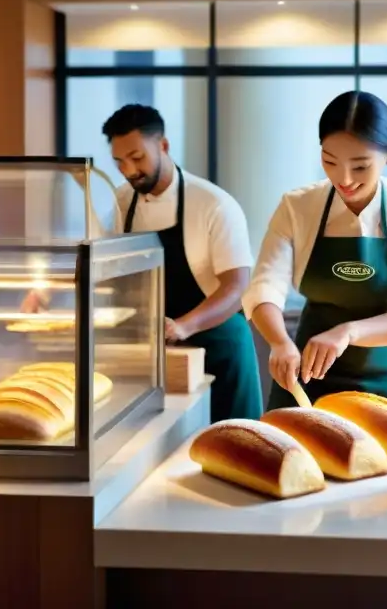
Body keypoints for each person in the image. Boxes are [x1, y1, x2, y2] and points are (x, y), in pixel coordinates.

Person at [29, 104, 263, 422]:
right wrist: (43, 293)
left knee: (236, 449)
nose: (128, 170)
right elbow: (102, 259)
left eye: (137, 158)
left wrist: (184, 325)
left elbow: (236, 287)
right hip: (156, 351)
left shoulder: (214, 204)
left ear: (163, 145)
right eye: (119, 162)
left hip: (217, 345)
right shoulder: (123, 200)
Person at [244, 91, 387, 410]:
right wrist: (279, 341)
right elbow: (264, 287)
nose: (344, 179)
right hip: (307, 377)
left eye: (361, 166)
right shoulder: (297, 207)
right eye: (329, 161)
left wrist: (348, 332)